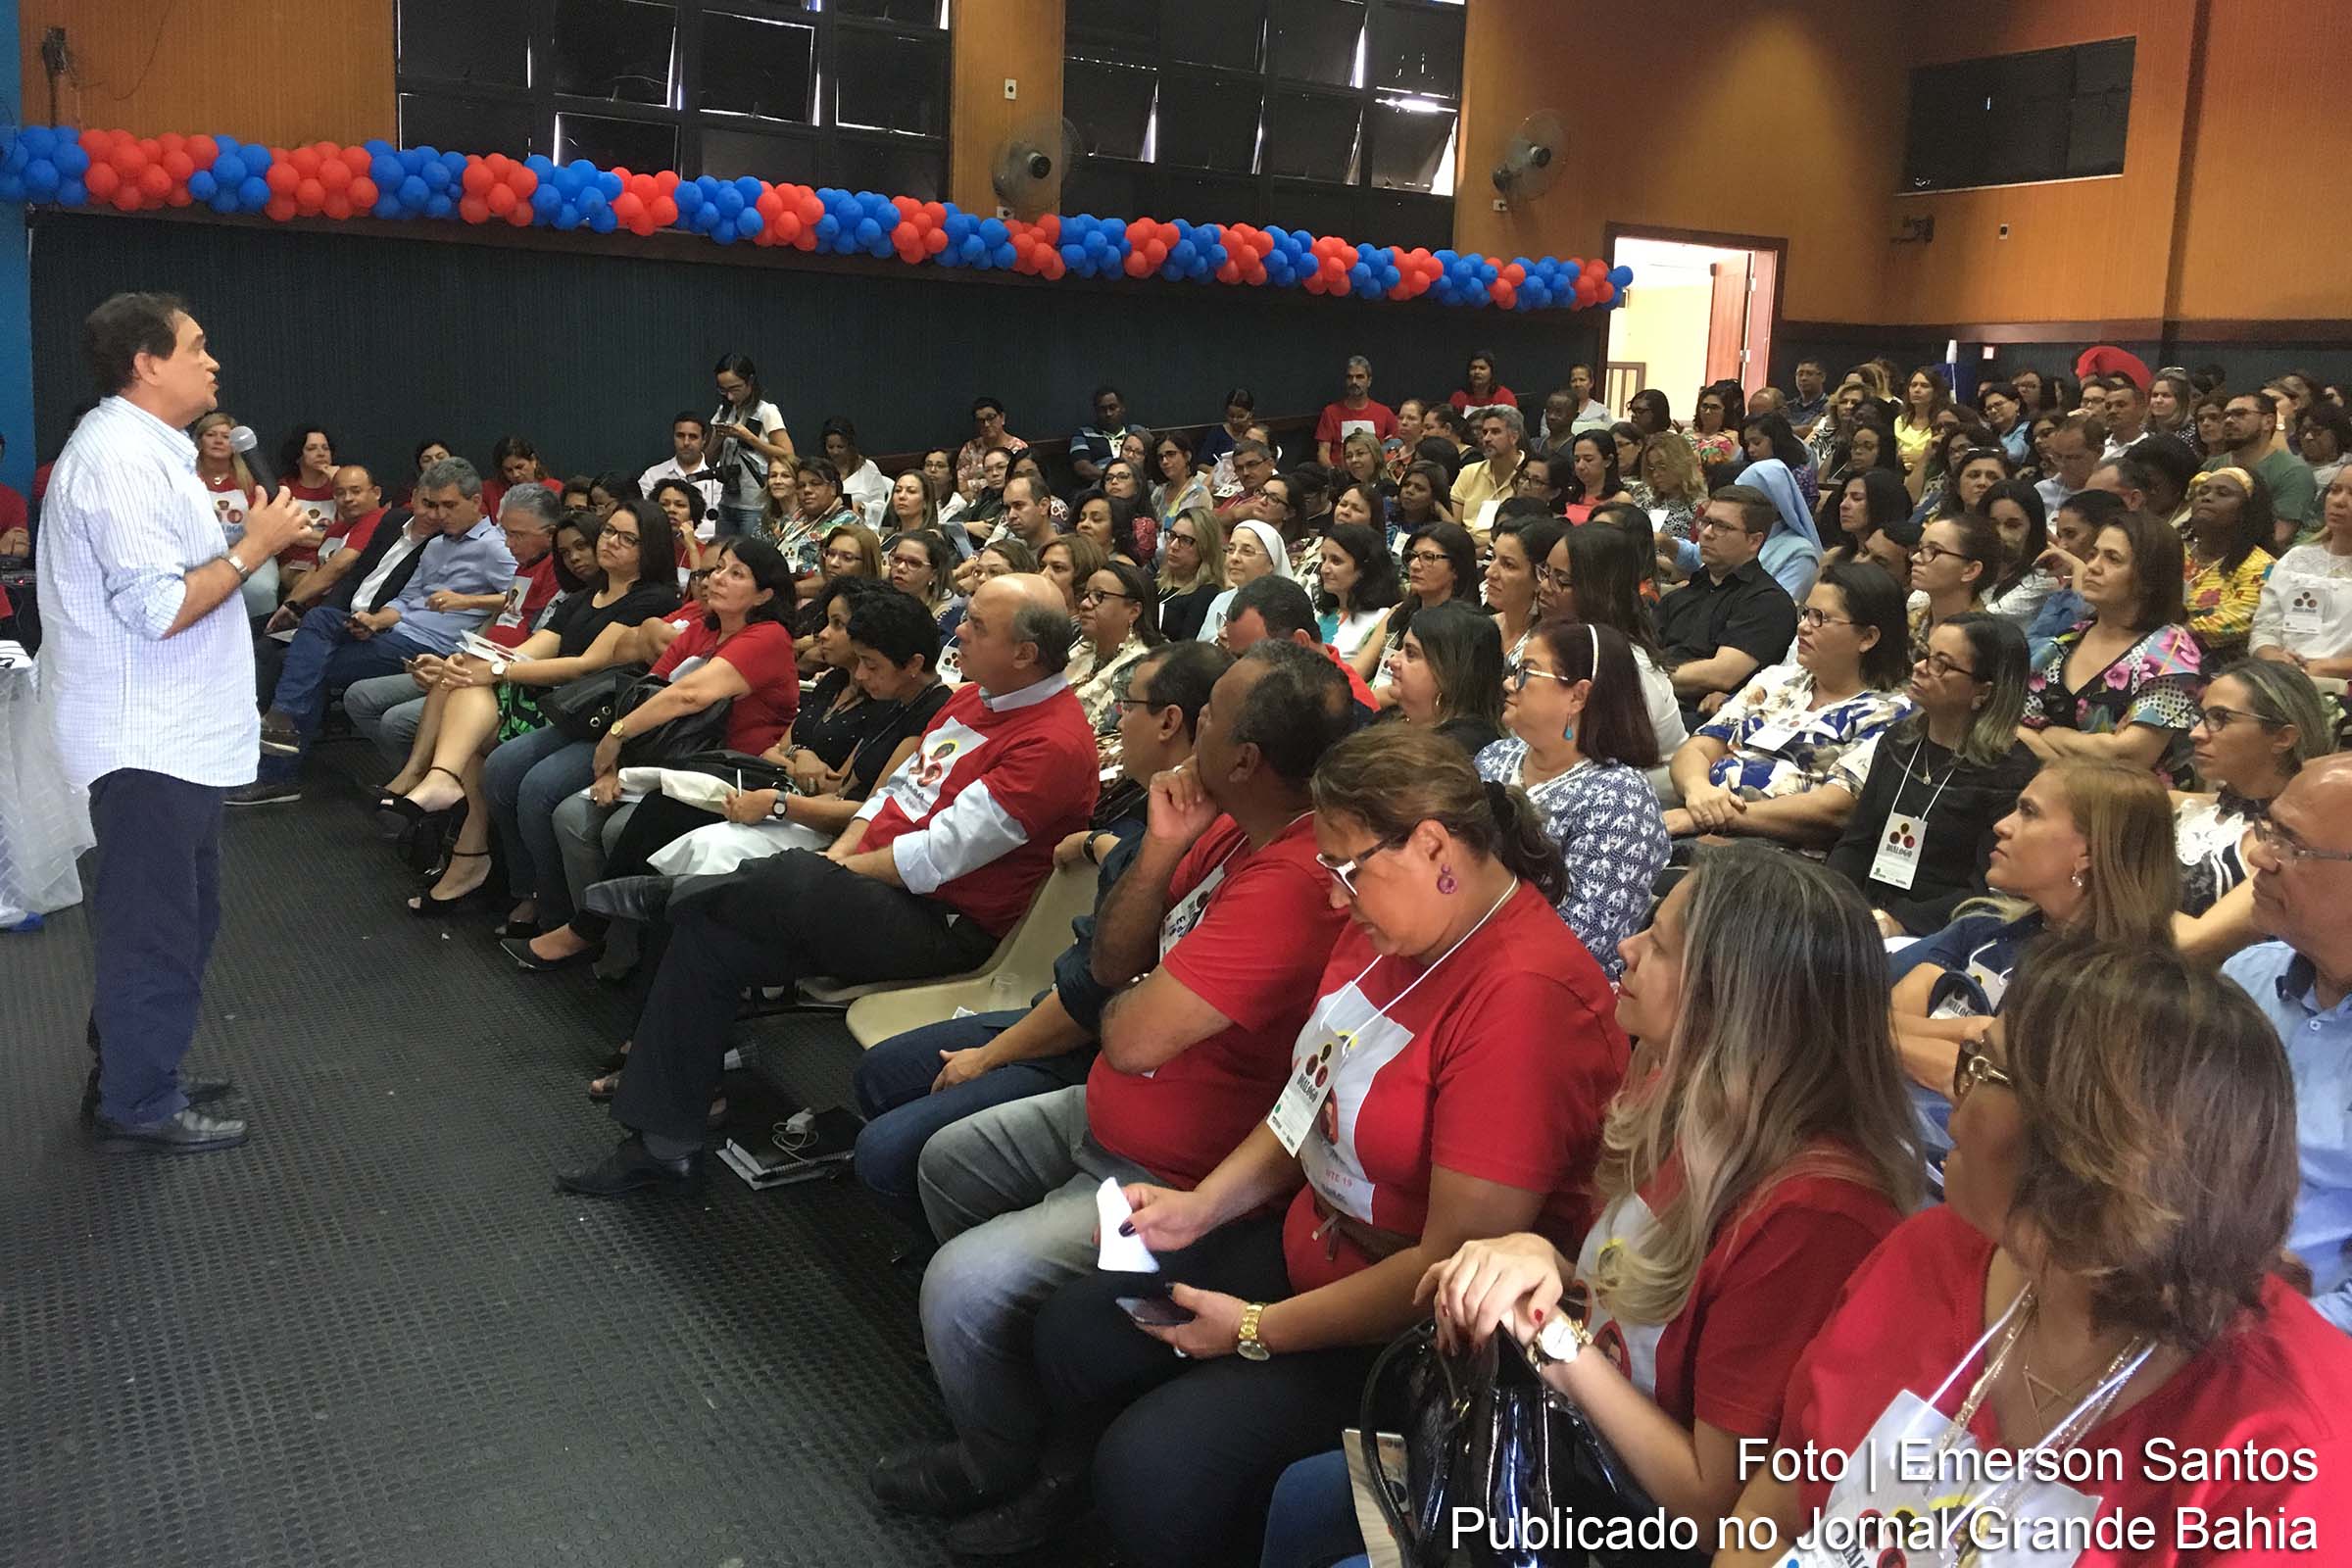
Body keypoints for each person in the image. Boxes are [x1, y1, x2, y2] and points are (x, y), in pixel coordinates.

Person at [1007, 724, 1627, 1567]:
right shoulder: (1388, 925)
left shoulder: (1525, 1000)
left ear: (1435, 846)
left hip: (1405, 1325)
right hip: (1318, 1237)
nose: (1334, 896)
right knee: (1080, 1329)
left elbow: (1451, 1263)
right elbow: (1309, 1097)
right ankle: (1061, 1508)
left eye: (1344, 869)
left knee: (1157, 1468)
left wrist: (1260, 1329)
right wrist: (1203, 1206)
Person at [869, 641, 1358, 1554]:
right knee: (942, 1162)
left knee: (963, 1288)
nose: (1191, 721)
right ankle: (1010, 1406)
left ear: (1247, 760)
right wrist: (1164, 846)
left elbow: (1127, 1025)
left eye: (1210, 715)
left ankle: (1013, 1467)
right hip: (1111, 1106)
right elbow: (1111, 967)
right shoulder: (1217, 822)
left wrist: (1136, 999)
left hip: (1174, 1165)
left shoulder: (1294, 878)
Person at [1334, 852, 1922, 1565]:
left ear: (1734, 997)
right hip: (1567, 1459)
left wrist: (1552, 1339)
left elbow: (1713, 1505)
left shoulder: (1818, 1213)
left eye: (1663, 945)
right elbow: (1620, 1299)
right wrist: (1537, 1259)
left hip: (1634, 1529)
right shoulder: (1679, 1098)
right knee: (1309, 1501)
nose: (1626, 946)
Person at [1726, 939, 2352, 1566]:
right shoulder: (1926, 1254)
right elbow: (1768, 1519)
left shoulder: (2283, 1443)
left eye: (1984, 1069)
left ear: (2092, 1145)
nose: (1954, 1101)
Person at [560, 572, 1098, 1196]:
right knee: (706, 935)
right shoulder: (975, 697)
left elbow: (933, 857)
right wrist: (838, 856)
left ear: (1026, 654)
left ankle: (681, 893)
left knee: (775, 880)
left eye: (976, 626)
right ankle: (664, 1143)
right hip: (872, 891)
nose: (960, 634)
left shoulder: (1052, 743)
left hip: (944, 925)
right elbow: (894, 797)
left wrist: (828, 872)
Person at [40, 293, 313, 1151]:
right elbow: (160, 609)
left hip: (171, 736)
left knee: (178, 919)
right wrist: (255, 547)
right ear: (148, 362)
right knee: (154, 927)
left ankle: (133, 1066)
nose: (213, 361)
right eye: (197, 347)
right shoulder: (119, 460)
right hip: (144, 741)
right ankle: (139, 1104)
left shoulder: (148, 451)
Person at [852, 640, 1228, 1238]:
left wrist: (991, 1057)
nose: (1116, 720)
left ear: (1170, 722)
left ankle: (949, 1241)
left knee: (885, 1151)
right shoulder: (1145, 817)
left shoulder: (1192, 838)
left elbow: (1096, 993)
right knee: (880, 1074)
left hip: (1090, 1047)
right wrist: (1095, 844)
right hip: (1061, 1011)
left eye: (1126, 705)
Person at [486, 536, 798, 952]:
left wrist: (616, 738)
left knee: (613, 827)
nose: (717, 579)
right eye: (717, 569)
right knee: (571, 815)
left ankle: (614, 944)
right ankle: (593, 933)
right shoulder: (702, 631)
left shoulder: (768, 637)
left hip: (732, 769)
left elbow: (689, 696)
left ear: (764, 595)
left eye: (736, 574)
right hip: (670, 759)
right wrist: (611, 767)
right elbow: (645, 694)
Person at [1887, 761, 2174, 1185]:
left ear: (2089, 852)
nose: (2002, 826)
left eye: (2029, 813)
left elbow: (1984, 1090)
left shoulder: (2124, 990)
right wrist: (1971, 1030)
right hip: (1895, 1131)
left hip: (1979, 1180)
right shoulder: (1981, 928)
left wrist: (1882, 1039)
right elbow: (1872, 1012)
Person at [384, 506, 676, 913]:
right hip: (554, 697)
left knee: (480, 727)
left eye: (628, 538)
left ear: (652, 549)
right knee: (465, 677)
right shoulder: (583, 597)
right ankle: (450, 802)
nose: (611, 542)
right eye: (610, 531)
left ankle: (460, 828)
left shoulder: (652, 599)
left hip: (592, 709)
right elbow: (529, 651)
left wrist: (497, 670)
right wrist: (481, 662)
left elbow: (586, 664)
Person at [233, 460, 519, 806]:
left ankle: (279, 763)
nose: (441, 514)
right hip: (395, 631)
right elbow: (409, 597)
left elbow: (522, 598)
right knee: (321, 620)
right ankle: (280, 730)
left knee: (305, 665)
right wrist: (376, 620)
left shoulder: (493, 546)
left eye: (450, 505)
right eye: (435, 504)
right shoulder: (437, 545)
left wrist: (467, 600)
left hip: (429, 645)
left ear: (476, 502)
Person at [2226, 753, 2352, 1332]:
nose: (2259, 855)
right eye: (2269, 828)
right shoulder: (2250, 977)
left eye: (2292, 845)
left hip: (2297, 1353)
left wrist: (2269, 1340)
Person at [1666, 562, 1913, 849]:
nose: (1803, 627)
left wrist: (1713, 817)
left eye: (1820, 618)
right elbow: (1697, 748)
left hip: (1780, 856)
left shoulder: (1891, 712)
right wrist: (1698, 790)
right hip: (1701, 821)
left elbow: (1835, 808)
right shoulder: (1777, 680)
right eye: (1806, 613)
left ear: (1868, 638)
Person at [1474, 621, 1668, 975]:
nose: (1508, 683)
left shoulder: (1621, 798)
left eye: (1526, 673)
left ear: (1578, 696)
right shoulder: (1494, 757)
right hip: (1459, 952)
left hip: (1548, 989)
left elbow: (1580, 942)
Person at [1828, 612, 2036, 936]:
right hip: (1862, 913)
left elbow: (1985, 890)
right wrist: (1835, 900)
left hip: (1938, 932)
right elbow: (1856, 843)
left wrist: (1898, 923)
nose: (1921, 667)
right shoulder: (1898, 740)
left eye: (1942, 664)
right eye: (1924, 654)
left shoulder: (2011, 776)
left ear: (1983, 691)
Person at [2021, 508, 2204, 776]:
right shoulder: (2069, 638)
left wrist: (2050, 735)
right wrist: (2065, 746)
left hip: (2121, 807)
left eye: (2113, 559)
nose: (2092, 566)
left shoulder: (2169, 650)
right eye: (2094, 554)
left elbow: (2131, 755)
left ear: (2149, 579)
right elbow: (2008, 724)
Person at [2170, 661, 2332, 961]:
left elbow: (2191, 943)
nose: (2195, 733)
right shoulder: (2182, 806)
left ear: (2283, 738)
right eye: (2200, 716)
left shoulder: (2290, 849)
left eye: (2220, 719)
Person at [1538, 516, 1690, 782]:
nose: (1543, 587)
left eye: (1560, 579)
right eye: (1545, 572)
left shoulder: (1630, 668)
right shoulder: (1557, 639)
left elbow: (1605, 773)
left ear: (1598, 590)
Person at [1656, 487, 1801, 731]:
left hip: (1705, 722)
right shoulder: (1684, 593)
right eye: (1706, 522)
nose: (1707, 534)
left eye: (1722, 526)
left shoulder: (1768, 602)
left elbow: (1721, 674)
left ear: (1754, 541)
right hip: (1652, 703)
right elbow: (1640, 649)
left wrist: (1645, 678)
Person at [2251, 467, 2352, 675]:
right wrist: (2273, 656)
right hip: (2285, 679)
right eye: (2335, 490)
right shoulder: (2296, 559)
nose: (2339, 501)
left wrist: (2326, 667)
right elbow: (2265, 627)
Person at [1354, 520, 1475, 691]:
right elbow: (1359, 669)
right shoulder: (1400, 611)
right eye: (1412, 556)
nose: (1414, 565)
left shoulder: (1464, 627)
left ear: (1456, 569)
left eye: (1428, 557)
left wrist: (1366, 702)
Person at [1382, 599, 1506, 757]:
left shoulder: (1460, 749)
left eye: (1411, 653)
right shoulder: (1391, 716)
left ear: (1449, 672)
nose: (1392, 661)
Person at [2181, 466, 2279, 661]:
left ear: (2247, 510)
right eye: (2203, 491)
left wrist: (2160, 639)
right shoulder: (2175, 550)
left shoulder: (2261, 566)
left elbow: (2234, 621)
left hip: (2218, 664)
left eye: (2223, 493)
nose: (2207, 498)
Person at [1067, 560, 1163, 754]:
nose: (1085, 604)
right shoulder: (1082, 649)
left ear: (1134, 611)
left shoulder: (1140, 666)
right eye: (1085, 595)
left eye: (1099, 597)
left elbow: (1096, 737)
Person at [2208, 388, 2319, 539]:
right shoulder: (2210, 467)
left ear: (2268, 422)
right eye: (2226, 415)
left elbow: (2280, 537)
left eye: (2240, 414)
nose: (2228, 420)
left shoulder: (2293, 472)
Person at [708, 354, 794, 537]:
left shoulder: (766, 411)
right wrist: (717, 437)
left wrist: (748, 437)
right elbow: (708, 459)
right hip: (727, 502)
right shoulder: (724, 412)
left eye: (735, 388)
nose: (730, 396)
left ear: (750, 381)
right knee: (722, 554)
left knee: (750, 557)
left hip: (756, 504)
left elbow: (788, 456)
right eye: (723, 390)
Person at [1907, 512, 2000, 661]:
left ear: (1970, 570)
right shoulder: (1911, 621)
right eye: (1919, 549)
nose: (1915, 558)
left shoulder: (1984, 642)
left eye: (1934, 551)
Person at [1194, 518, 1293, 647]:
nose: (1234, 558)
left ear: (1271, 563)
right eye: (1230, 549)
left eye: (1247, 551)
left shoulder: (1284, 609)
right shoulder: (1220, 600)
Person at [1311, 521, 1397, 662]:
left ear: (1364, 568)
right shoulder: (1318, 612)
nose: (1324, 569)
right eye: (1323, 559)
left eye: (1336, 561)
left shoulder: (1381, 619)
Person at [1482, 513, 1559, 665]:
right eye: (1493, 557)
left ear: (1541, 577)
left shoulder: (1552, 646)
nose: (1489, 572)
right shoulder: (1481, 628)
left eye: (1508, 565)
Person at [1447, 405, 1527, 539]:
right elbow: (1452, 526)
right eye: (1485, 432)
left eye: (1495, 432)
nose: (1486, 439)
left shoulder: (1529, 474)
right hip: (1464, 548)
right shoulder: (1469, 472)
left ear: (1514, 437)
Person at [1152, 506, 1224, 644]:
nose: (1173, 545)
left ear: (1205, 547)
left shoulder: (1207, 594)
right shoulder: (1157, 581)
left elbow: (1186, 649)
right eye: (1172, 535)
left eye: (1185, 540)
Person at [637, 412, 722, 522]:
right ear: (673, 437)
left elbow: (722, 523)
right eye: (680, 436)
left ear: (704, 439)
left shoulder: (719, 477)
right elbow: (643, 518)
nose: (686, 442)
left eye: (693, 437)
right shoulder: (652, 475)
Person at [1312, 355, 1396, 466]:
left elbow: (1396, 445)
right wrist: (1335, 475)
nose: (1354, 382)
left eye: (1360, 377)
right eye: (1350, 377)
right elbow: (1323, 453)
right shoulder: (1330, 412)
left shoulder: (1384, 413)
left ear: (1369, 381)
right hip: (1341, 477)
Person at [1558, 428, 1634, 524]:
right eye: (1577, 460)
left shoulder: (1620, 499)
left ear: (1608, 461)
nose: (1580, 466)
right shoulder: (1570, 495)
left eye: (1588, 459)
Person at [1687, 383, 1740, 468]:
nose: (1708, 412)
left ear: (1725, 411)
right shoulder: (1687, 435)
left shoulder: (1733, 437)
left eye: (1714, 407)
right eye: (1704, 406)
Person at [1448, 347, 1514, 412]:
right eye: (1473, 368)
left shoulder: (1504, 396)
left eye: (1482, 368)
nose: (1477, 372)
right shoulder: (1458, 397)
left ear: (1492, 372)